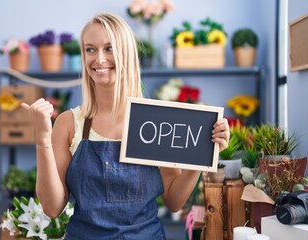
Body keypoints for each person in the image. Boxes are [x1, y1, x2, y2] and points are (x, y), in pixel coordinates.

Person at [21, 12, 230, 240]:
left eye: (109, 48)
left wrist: (201, 155)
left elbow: (174, 201)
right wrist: (42, 138)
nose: (99, 59)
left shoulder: (155, 120)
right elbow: (52, 208)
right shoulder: (70, 123)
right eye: (90, 49)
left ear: (127, 54)